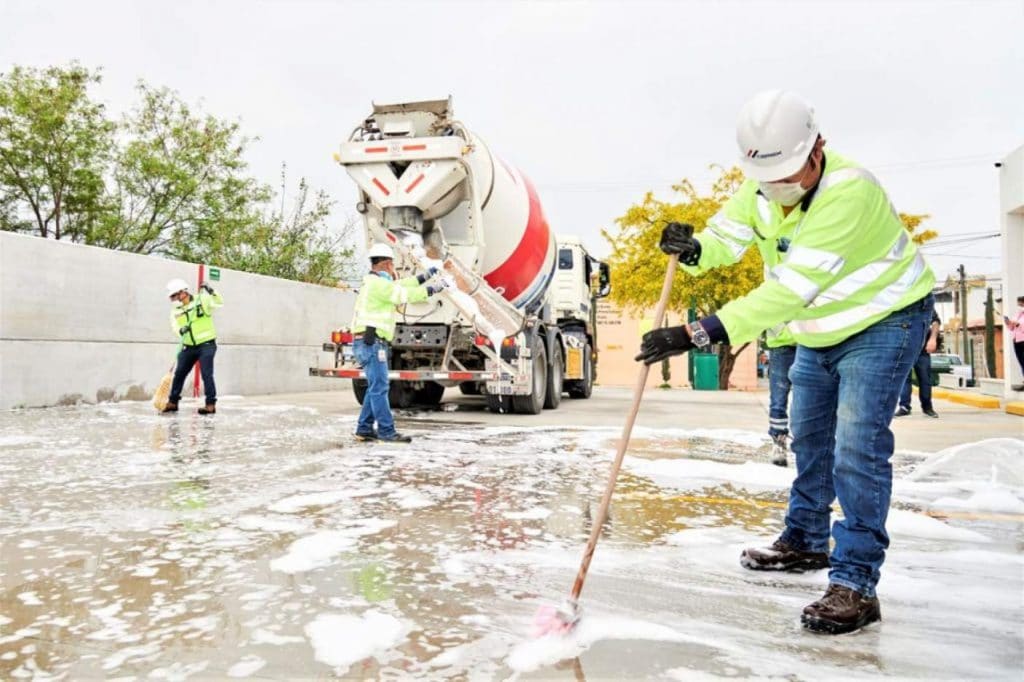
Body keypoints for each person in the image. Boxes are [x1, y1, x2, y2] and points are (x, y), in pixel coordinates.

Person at [636, 90, 935, 634]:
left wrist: (695, 333)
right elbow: (728, 235)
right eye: (768, 179)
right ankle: (805, 540)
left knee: (856, 447)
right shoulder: (762, 189)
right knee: (808, 436)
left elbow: (789, 292)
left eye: (789, 175)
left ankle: (856, 584)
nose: (779, 190)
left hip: (885, 321)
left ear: (818, 149)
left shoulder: (849, 192)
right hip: (820, 330)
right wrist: (696, 248)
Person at [351, 243, 445, 443]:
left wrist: (426, 276)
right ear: (386, 264)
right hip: (371, 343)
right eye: (392, 264)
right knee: (380, 388)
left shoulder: (376, 282)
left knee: (375, 387)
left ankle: (364, 429)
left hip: (372, 342)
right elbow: (404, 294)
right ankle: (387, 432)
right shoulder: (379, 285)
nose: (394, 268)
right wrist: (434, 288)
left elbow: (404, 285)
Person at [163, 278, 224, 415]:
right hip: (189, 346)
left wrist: (211, 291)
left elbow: (220, 303)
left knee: (206, 374)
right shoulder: (176, 310)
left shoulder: (202, 299)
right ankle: (173, 402)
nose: (173, 299)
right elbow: (174, 325)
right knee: (179, 374)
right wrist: (180, 331)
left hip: (207, 344)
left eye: (174, 295)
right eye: (172, 296)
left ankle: (210, 404)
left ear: (183, 292)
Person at [895, 310, 941, 417]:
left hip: (922, 349)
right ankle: (904, 407)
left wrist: (933, 339)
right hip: (904, 348)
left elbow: (935, 322)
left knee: (925, 379)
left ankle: (927, 407)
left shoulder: (923, 303)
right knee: (904, 379)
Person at [1004, 295, 1024, 385]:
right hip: (1016, 340)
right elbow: (1012, 328)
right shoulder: (1017, 314)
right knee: (1021, 360)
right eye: (1018, 304)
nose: (1019, 306)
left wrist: (1019, 325)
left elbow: (1020, 326)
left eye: (1020, 304)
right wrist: (1008, 323)